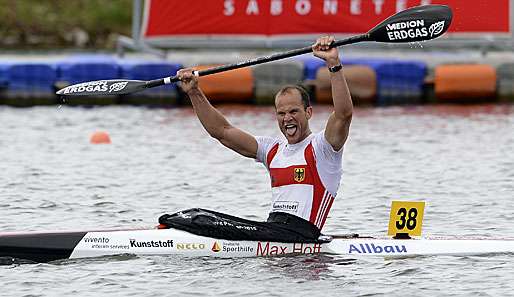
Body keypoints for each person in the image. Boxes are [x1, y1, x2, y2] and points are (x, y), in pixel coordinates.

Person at [158, 36, 353, 243]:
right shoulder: (272, 150)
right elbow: (222, 131)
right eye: (281, 113)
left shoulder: (322, 148)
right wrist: (194, 92)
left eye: (294, 111)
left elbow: (343, 115)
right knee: (197, 215)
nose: (287, 119)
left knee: (203, 220)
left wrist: (333, 64)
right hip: (272, 230)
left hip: (301, 235)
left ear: (308, 112)